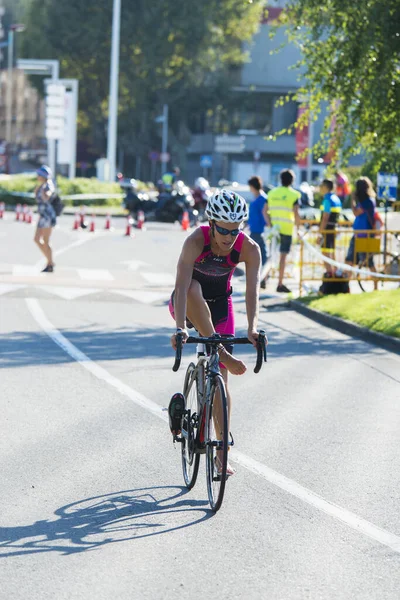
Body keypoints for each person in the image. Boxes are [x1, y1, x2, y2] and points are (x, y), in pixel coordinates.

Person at [168, 189, 264, 475]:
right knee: (195, 289)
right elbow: (183, 285)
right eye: (222, 229)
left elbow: (252, 291)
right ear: (211, 222)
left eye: (235, 230)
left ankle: (222, 453)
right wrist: (180, 329)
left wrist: (252, 327)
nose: (228, 236)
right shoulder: (195, 241)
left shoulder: (249, 248)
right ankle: (219, 351)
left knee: (221, 380)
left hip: (221, 304)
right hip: (187, 302)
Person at [266, 169, 301, 293]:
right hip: (287, 229)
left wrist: (270, 225)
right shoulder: (295, 195)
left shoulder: (271, 193)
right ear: (292, 181)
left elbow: (264, 211)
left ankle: (264, 278)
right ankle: (280, 283)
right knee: (282, 257)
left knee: (271, 254)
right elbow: (296, 214)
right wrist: (299, 229)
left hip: (274, 229)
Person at [345, 177, 378, 290]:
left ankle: (375, 286)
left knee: (369, 261)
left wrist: (352, 199)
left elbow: (355, 212)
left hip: (365, 235)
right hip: (358, 235)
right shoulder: (364, 202)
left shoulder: (368, 201)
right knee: (349, 260)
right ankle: (345, 286)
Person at [247, 175, 271, 289]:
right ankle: (260, 278)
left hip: (260, 231)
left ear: (252, 186)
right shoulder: (257, 198)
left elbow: (265, 214)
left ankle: (262, 278)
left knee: (260, 255)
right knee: (258, 255)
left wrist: (268, 227)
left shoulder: (263, 199)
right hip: (254, 230)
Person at [34, 165, 56, 273]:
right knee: (37, 239)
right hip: (42, 215)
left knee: (46, 241)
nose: (37, 176)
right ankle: (49, 260)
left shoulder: (48, 185)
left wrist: (42, 190)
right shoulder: (41, 185)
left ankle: (50, 262)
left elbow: (47, 197)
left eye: (39, 174)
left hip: (48, 216)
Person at [318, 178, 342, 274]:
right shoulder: (336, 198)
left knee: (325, 254)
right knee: (332, 253)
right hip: (333, 229)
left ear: (325, 187)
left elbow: (325, 217)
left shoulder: (327, 199)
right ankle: (336, 274)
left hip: (327, 230)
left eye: (321, 186)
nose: (319, 188)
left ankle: (330, 274)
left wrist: (320, 233)